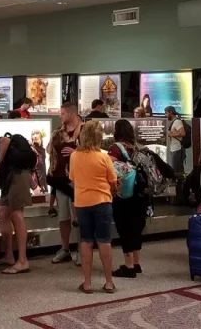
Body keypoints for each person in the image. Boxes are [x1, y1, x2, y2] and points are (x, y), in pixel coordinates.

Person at [69, 120, 117, 294]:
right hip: (102, 201)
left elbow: (73, 179)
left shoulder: (75, 156)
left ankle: (87, 283)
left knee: (86, 241)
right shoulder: (104, 157)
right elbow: (113, 180)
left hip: (82, 203)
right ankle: (109, 282)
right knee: (104, 241)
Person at [0, 130, 34, 275]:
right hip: (8, 179)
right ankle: (9, 255)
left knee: (16, 215)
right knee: (2, 213)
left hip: (18, 176)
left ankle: (23, 261)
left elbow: (5, 140)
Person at [107, 119, 147, 279]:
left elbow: (111, 169)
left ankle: (128, 265)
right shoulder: (139, 147)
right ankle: (136, 263)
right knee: (137, 228)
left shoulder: (115, 148)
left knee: (125, 229)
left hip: (124, 195)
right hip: (140, 193)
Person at [48, 102, 81, 265]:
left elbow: (95, 152)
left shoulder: (84, 131)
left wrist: (76, 153)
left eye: (62, 114)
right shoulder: (58, 133)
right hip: (61, 180)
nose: (60, 116)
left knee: (79, 218)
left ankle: (83, 250)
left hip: (79, 181)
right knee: (63, 217)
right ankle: (65, 249)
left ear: (71, 114)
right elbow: (52, 155)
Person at [164, 106, 187, 174]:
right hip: (174, 148)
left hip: (177, 149)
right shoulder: (174, 122)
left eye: (166, 113)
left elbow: (183, 133)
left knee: (176, 169)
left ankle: (179, 182)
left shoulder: (177, 121)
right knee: (177, 169)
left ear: (171, 112)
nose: (165, 115)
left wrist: (171, 134)